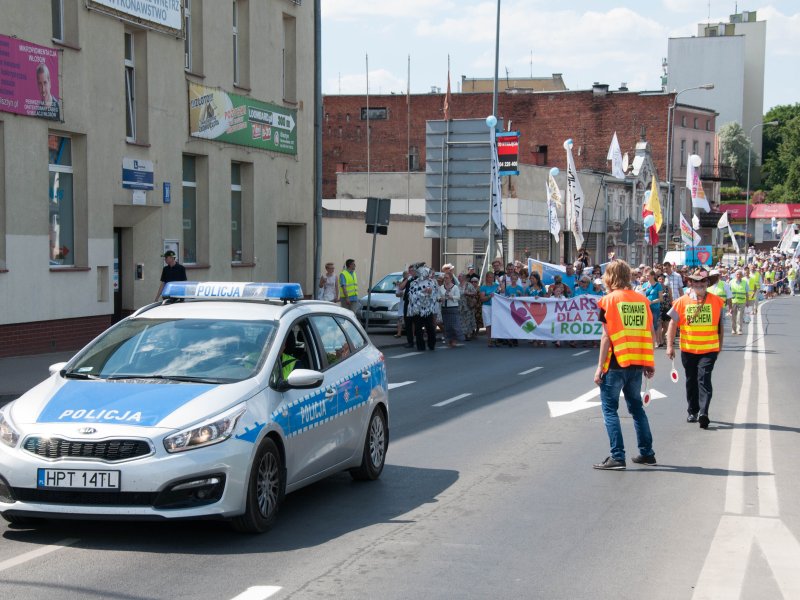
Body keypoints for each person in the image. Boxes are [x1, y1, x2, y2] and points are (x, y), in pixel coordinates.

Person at [592, 260, 656, 470]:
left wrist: (599, 367)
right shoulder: (642, 300)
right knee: (637, 408)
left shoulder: (608, 300)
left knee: (610, 409)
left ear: (609, 277)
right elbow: (649, 332)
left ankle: (617, 456)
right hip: (636, 362)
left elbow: (606, 337)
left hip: (615, 362)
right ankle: (647, 453)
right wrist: (649, 362)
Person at [666, 269, 725, 429]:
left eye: (702, 281)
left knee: (704, 379)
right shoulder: (681, 302)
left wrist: (720, 345)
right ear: (690, 283)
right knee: (691, 381)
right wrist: (670, 346)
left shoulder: (717, 301)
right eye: (696, 281)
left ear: (707, 283)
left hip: (709, 350)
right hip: (688, 350)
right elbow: (672, 324)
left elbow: (720, 325)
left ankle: (703, 413)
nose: (699, 284)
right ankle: (692, 411)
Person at [407, 265, 438, 351]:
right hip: (418, 310)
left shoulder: (432, 282)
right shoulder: (414, 283)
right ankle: (420, 346)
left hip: (428, 310)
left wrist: (430, 292)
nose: (427, 274)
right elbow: (411, 295)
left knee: (430, 327)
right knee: (418, 328)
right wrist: (423, 293)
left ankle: (431, 344)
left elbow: (435, 294)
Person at [439, 272, 464, 347]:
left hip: (453, 308)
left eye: (447, 278)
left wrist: (451, 297)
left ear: (451, 278)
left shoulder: (455, 287)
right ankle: (449, 340)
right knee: (447, 326)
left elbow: (458, 297)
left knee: (454, 325)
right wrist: (440, 299)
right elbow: (438, 296)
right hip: (444, 308)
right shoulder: (441, 287)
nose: (445, 279)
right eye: (445, 278)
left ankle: (454, 340)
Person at [640, 270, 663, 347]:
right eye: (646, 276)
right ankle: (647, 340)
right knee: (646, 324)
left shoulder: (658, 285)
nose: (647, 277)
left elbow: (661, 298)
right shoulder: (645, 285)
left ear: (653, 276)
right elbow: (642, 295)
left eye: (648, 275)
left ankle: (655, 341)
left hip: (655, 307)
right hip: (646, 307)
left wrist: (652, 302)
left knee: (654, 324)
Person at [479, 271, 500, 347]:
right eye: (490, 277)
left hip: (495, 307)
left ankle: (495, 339)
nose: (491, 279)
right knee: (488, 323)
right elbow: (482, 299)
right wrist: (489, 296)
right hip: (486, 307)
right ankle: (489, 340)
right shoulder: (483, 287)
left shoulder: (496, 285)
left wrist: (500, 281)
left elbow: (502, 290)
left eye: (492, 277)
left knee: (495, 323)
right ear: (487, 278)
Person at [728, 269, 750, 336]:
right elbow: (728, 292)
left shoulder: (745, 282)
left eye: (740, 274)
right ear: (735, 275)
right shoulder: (731, 282)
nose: (738, 275)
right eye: (737, 274)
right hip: (733, 301)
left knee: (740, 316)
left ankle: (739, 330)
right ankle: (733, 329)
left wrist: (747, 301)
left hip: (742, 302)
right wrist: (728, 303)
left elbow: (747, 293)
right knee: (733, 317)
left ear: (742, 275)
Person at [458, 273, 478, 341]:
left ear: (463, 277)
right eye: (458, 276)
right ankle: (464, 333)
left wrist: (468, 293)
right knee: (462, 320)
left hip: (468, 305)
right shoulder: (457, 286)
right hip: (460, 306)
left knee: (468, 320)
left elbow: (475, 293)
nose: (458, 277)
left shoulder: (469, 285)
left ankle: (468, 334)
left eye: (460, 276)